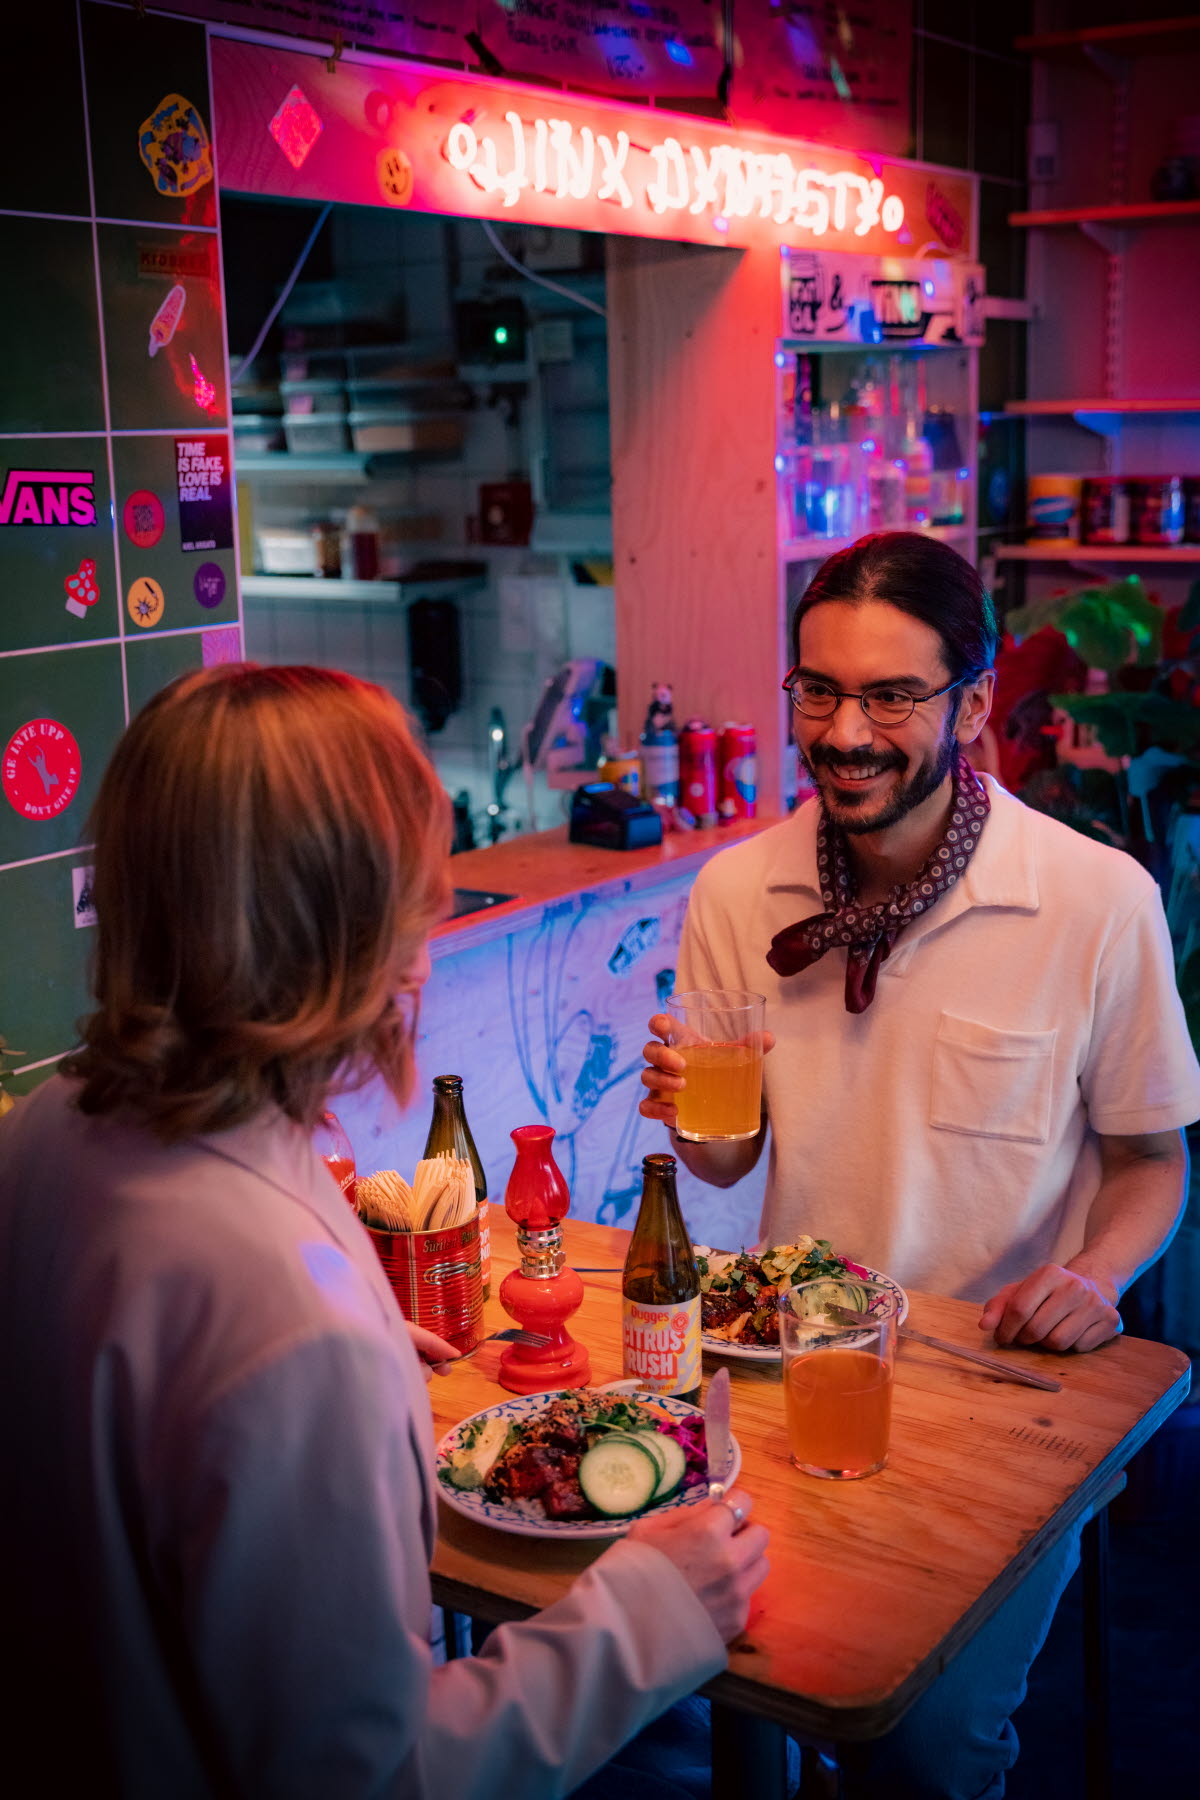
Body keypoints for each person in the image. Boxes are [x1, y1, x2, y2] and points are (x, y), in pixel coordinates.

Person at [0, 665, 768, 1800]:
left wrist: (292, 1396)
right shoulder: (292, 1322)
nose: (434, 921)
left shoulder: (46, 1129)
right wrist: (650, 1611)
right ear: (355, 937)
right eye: (418, 888)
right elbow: (369, 1777)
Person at [641, 532, 1200, 1798]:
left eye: (893, 695)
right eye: (819, 690)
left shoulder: (1094, 901)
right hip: (785, 1374)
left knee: (921, 1749)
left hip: (998, 1398)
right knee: (716, 1664)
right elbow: (729, 1161)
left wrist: (1100, 1276)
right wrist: (693, 1118)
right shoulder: (740, 892)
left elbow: (1150, 1162)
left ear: (973, 700)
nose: (846, 732)